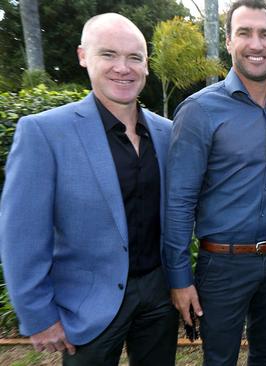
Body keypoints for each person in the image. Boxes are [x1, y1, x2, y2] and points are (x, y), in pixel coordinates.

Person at [0, 13, 178, 365]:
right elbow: (22, 234)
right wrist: (39, 316)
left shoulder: (168, 132)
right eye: (108, 55)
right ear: (84, 56)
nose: (122, 68)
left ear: (147, 66)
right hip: (87, 306)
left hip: (159, 297)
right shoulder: (44, 133)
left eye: (134, 58)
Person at [162, 0, 266, 364]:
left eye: (265, 34)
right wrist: (179, 278)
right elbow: (178, 201)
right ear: (228, 41)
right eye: (245, 33)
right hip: (223, 265)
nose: (256, 44)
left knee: (264, 355)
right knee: (220, 359)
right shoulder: (199, 110)